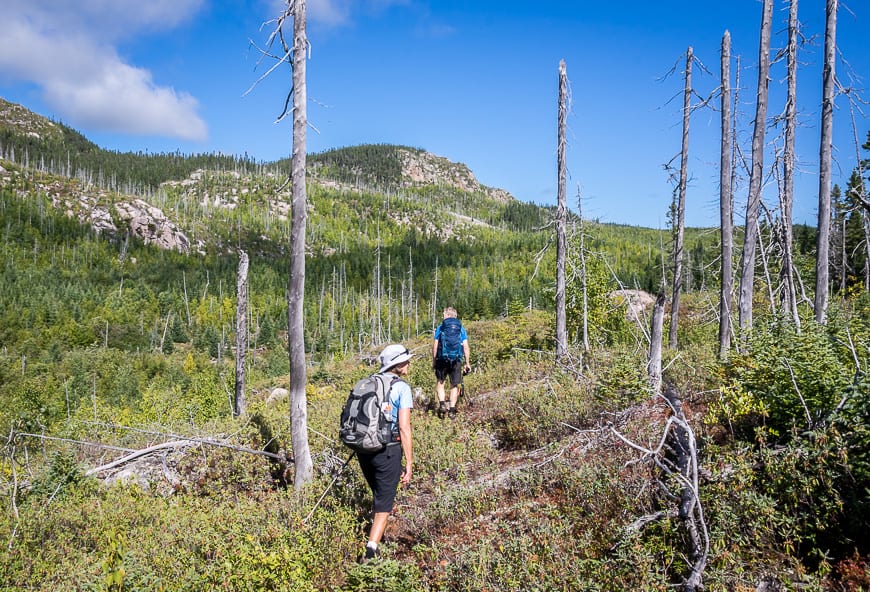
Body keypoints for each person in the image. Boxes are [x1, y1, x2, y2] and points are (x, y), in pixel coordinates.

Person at [357, 343, 414, 561]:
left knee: (379, 494)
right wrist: (409, 462)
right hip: (388, 449)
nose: (409, 363)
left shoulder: (370, 383)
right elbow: (404, 428)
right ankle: (371, 551)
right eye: (406, 360)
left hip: (364, 449)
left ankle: (376, 535)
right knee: (384, 503)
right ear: (397, 365)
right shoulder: (402, 388)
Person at [432, 307, 471, 418]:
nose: (442, 316)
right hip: (456, 360)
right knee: (454, 385)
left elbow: (435, 346)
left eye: (444, 314)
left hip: (442, 359)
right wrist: (467, 363)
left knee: (441, 382)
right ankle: (452, 410)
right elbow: (466, 347)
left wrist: (434, 361)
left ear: (448, 315)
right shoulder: (461, 329)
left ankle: (442, 404)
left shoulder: (441, 328)